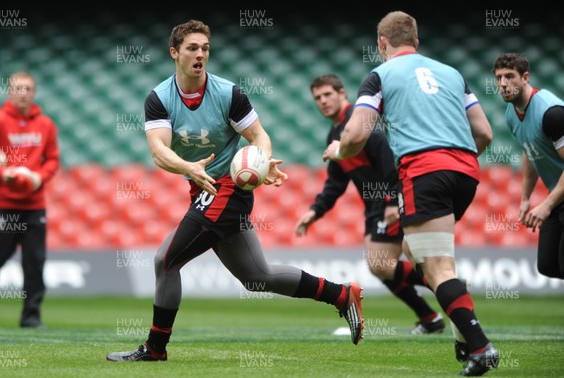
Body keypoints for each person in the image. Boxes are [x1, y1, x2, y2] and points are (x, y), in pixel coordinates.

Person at [106, 19, 363, 362]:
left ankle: (155, 348)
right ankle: (342, 294)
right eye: (192, 48)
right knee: (258, 277)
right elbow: (159, 151)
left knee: (165, 262)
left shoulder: (228, 94)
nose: (200, 54)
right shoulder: (160, 98)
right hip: (201, 188)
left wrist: (262, 161)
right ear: (174, 53)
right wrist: (189, 169)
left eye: (205, 48)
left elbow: (259, 136)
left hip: (228, 188)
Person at [323, 11, 498, 376]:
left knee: (437, 268)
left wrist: (338, 151)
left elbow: (355, 135)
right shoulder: (451, 73)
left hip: (424, 172)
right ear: (416, 41)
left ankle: (479, 346)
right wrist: (455, 159)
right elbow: (484, 133)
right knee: (410, 251)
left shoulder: (380, 76)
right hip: (466, 171)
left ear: (382, 44)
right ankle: (463, 330)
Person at [295, 74, 445, 335]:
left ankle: (444, 283)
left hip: (393, 197)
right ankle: (432, 312)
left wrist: (390, 200)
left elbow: (390, 160)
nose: (323, 101)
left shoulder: (361, 122)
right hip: (374, 205)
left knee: (380, 264)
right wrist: (315, 211)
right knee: (380, 267)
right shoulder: (334, 133)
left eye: (328, 94)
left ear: (342, 93)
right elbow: (336, 182)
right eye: (317, 98)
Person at [0, 71, 60, 328]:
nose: (23, 93)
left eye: (27, 88)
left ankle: (31, 317)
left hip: (34, 205)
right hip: (3, 205)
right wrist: (0, 173)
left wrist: (39, 178)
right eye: (18, 88)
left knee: (35, 262)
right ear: (9, 91)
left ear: (33, 92)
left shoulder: (45, 124)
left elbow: (52, 159)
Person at [493, 53, 564, 279]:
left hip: (557, 196)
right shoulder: (511, 114)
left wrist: (546, 205)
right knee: (548, 265)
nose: (503, 84)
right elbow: (529, 149)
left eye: (509, 77)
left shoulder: (551, 113)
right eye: (498, 78)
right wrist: (526, 198)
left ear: (525, 77)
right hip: (559, 195)